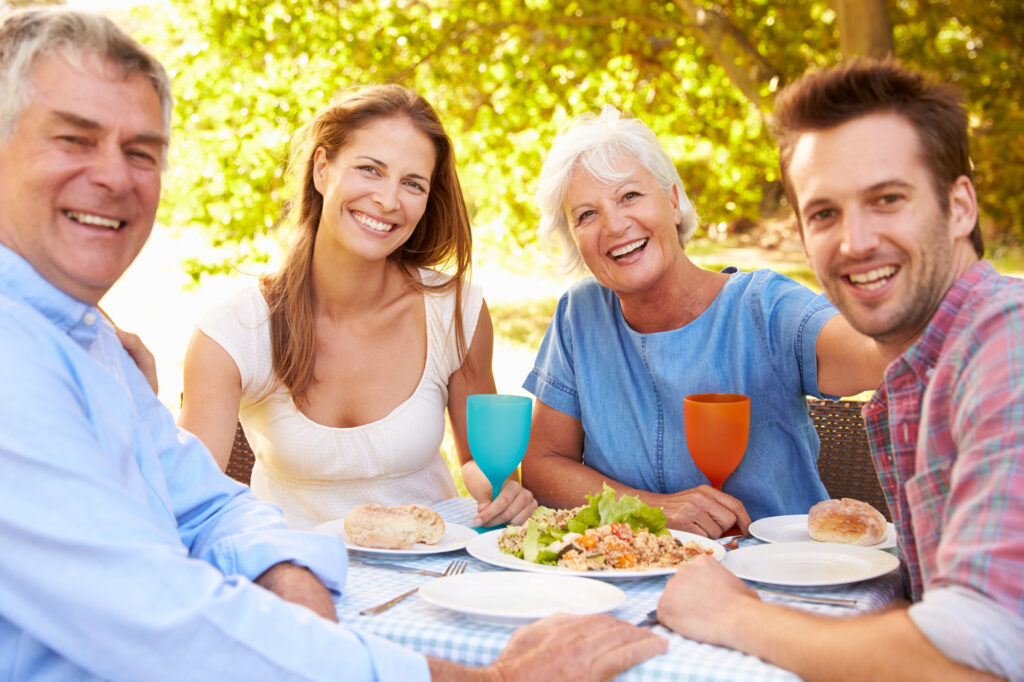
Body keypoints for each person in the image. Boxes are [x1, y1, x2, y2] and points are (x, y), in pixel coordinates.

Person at [0, 7, 666, 680]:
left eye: (142, 151)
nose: (116, 177)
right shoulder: (38, 356)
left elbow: (205, 503)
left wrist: (294, 580)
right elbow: (170, 628)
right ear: (321, 169)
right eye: (73, 139)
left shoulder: (88, 339)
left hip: (411, 591)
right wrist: (490, 680)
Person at [658, 59, 1024, 681]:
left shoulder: (1005, 348)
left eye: (887, 199)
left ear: (960, 206)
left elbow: (970, 659)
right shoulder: (931, 360)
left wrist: (733, 615)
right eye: (825, 213)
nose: (855, 242)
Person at [177, 84, 536, 529]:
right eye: (370, 169)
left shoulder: (456, 311)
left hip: (434, 569)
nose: (388, 200)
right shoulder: (234, 331)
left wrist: (498, 489)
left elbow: (478, 462)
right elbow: (193, 504)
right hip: (297, 579)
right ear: (322, 169)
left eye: (412, 184)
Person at [521, 106, 887, 537]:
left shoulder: (763, 307)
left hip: (776, 574)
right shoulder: (580, 316)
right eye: (587, 214)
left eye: (629, 196)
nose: (615, 224)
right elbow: (542, 466)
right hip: (631, 573)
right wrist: (652, 509)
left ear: (673, 201)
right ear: (574, 239)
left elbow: (872, 355)